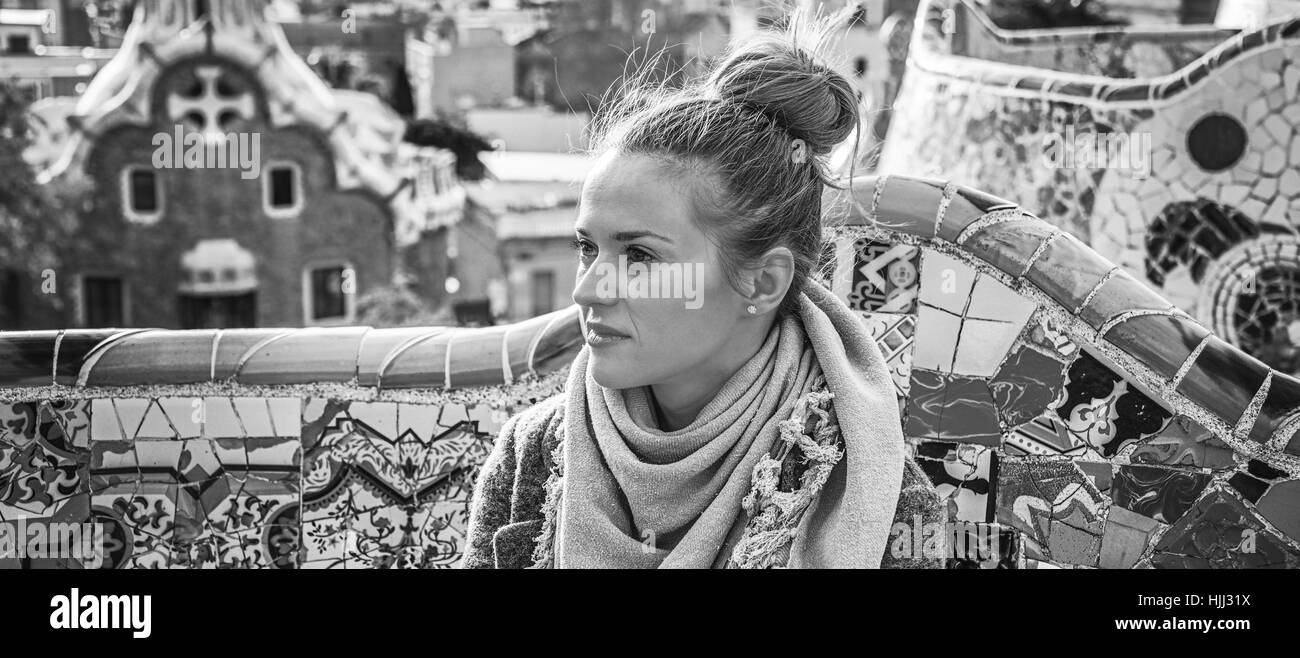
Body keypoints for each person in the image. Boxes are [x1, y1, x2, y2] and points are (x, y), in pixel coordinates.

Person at [462, 12, 946, 569]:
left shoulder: (864, 492)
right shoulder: (536, 459)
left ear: (763, 283)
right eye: (587, 248)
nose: (589, 290)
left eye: (639, 255)